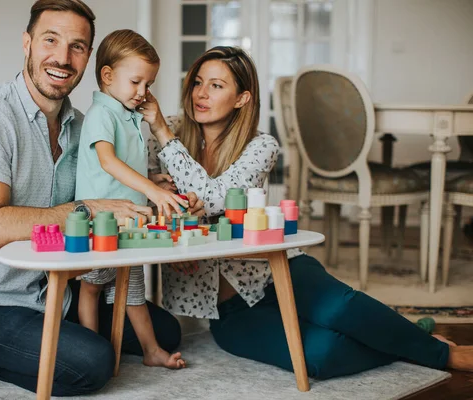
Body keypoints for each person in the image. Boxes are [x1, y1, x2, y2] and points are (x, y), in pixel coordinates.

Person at [141, 46, 473, 379]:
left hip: (278, 272)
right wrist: (176, 239)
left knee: (343, 308)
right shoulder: (166, 133)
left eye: (216, 85)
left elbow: (212, 198)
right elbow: (145, 200)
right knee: (320, 354)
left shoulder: (260, 146)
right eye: (198, 82)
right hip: (228, 309)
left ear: (242, 98)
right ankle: (410, 338)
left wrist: (164, 138)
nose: (201, 93)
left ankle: (442, 354)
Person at [0, 1, 203, 396]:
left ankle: (46, 345)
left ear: (88, 58)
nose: (63, 58)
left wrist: (155, 186)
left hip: (59, 292)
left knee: (166, 332)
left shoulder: (82, 126)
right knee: (93, 362)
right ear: (27, 43)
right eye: (51, 40)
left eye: (77, 46)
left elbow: (109, 184)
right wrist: (87, 210)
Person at [75, 29, 186, 369]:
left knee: (134, 293)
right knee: (92, 288)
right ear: (107, 76)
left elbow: (123, 165)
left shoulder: (128, 115)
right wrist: (151, 191)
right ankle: (92, 352)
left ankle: (151, 351)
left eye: (148, 85)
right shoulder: (101, 114)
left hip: (130, 223)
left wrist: (151, 180)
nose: (143, 92)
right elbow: (107, 161)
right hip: (102, 223)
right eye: (136, 82)